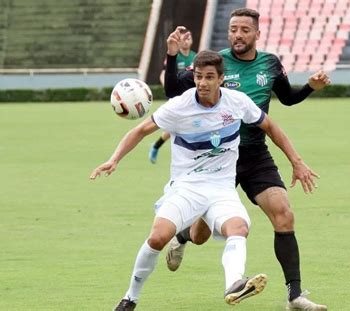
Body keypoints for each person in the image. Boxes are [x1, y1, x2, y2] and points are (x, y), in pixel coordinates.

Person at [90, 50, 319, 311]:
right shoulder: (180, 106)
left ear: (221, 79)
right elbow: (141, 130)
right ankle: (130, 297)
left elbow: (271, 126)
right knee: (157, 239)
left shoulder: (237, 101)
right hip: (187, 188)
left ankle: (234, 284)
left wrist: (296, 161)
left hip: (222, 189)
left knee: (239, 228)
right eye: (199, 76)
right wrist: (114, 159)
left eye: (209, 77)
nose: (202, 83)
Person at [162, 8, 330, 311]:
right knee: (201, 235)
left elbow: (288, 98)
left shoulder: (270, 63)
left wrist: (309, 88)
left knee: (284, 215)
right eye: (233, 29)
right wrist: (173, 56)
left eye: (244, 30)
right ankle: (183, 236)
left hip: (253, 154)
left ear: (256, 34)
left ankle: (295, 296)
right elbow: (173, 90)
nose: (237, 35)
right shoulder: (216, 63)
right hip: (215, 158)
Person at [149, 29, 197, 164]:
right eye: (184, 39)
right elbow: (163, 73)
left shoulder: (195, 56)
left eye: (189, 38)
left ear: (192, 40)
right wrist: (168, 87)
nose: (187, 41)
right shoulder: (176, 55)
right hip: (177, 96)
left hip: (191, 98)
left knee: (178, 126)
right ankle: (157, 146)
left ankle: (156, 146)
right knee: (174, 125)